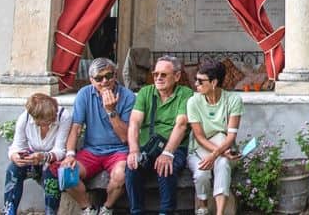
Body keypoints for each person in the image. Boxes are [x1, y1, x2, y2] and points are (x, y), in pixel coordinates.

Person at [59, 58, 136, 215]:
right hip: (92, 150)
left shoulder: (128, 96)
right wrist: (70, 154)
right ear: (91, 80)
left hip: (119, 150)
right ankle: (88, 209)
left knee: (122, 174)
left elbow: (125, 137)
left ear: (115, 75)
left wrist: (111, 111)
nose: (105, 81)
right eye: (99, 78)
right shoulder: (84, 94)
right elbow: (76, 128)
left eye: (109, 76)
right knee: (66, 172)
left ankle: (107, 208)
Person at [125, 55, 195, 215]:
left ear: (177, 76)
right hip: (148, 146)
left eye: (164, 75)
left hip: (174, 146)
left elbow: (181, 124)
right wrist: (134, 150)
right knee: (132, 167)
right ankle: (136, 212)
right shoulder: (145, 92)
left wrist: (168, 153)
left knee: (166, 167)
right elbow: (134, 122)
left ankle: (165, 212)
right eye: (156, 74)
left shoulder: (185, 93)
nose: (158, 78)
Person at [186, 61, 243, 215]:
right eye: (196, 80)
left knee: (223, 163)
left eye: (200, 81)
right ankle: (203, 206)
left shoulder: (233, 100)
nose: (196, 84)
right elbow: (199, 137)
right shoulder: (193, 102)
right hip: (200, 148)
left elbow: (231, 135)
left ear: (214, 83)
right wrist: (218, 153)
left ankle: (220, 212)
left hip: (224, 146)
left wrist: (216, 154)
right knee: (201, 173)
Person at [4, 93, 72, 215]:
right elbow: (16, 146)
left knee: (50, 171)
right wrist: (15, 156)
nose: (53, 119)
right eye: (47, 118)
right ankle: (9, 211)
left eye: (53, 115)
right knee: (13, 169)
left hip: (55, 160)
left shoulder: (63, 116)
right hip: (33, 158)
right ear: (35, 118)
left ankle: (50, 212)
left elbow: (60, 151)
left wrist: (44, 157)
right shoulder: (24, 119)